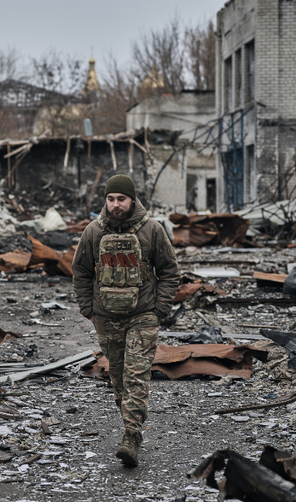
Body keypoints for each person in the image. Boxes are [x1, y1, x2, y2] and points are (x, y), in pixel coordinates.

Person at [71, 174, 179, 467]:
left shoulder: (152, 230)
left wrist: (159, 310)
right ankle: (131, 425)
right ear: (105, 201)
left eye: (121, 198)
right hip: (105, 318)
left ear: (132, 200)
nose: (116, 204)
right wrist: (88, 310)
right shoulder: (93, 232)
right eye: (111, 199)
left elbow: (169, 270)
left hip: (143, 315)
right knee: (118, 379)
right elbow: (80, 271)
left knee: (136, 376)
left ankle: (131, 436)